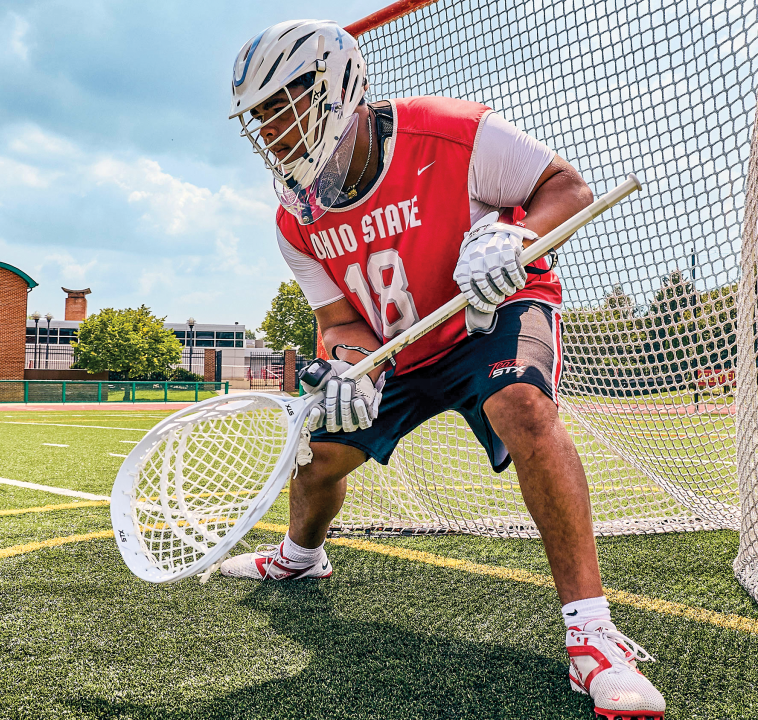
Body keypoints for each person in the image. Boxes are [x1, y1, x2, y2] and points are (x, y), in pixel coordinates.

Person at [221, 19, 665, 720]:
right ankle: (300, 556)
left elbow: (568, 188)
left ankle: (593, 636)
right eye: (260, 117)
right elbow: (340, 321)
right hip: (399, 345)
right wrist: (347, 368)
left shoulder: (453, 132)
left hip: (490, 313)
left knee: (520, 406)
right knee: (316, 455)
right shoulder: (293, 218)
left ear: (334, 88)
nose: (272, 131)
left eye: (284, 105)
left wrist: (512, 232)